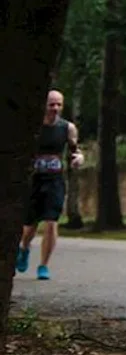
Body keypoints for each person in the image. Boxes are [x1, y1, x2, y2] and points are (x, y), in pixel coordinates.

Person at [16, 90, 82, 281]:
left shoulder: (67, 128)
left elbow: (74, 150)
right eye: (51, 104)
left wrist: (78, 158)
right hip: (33, 181)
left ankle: (43, 265)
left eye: (59, 105)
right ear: (43, 105)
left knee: (52, 222)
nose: (55, 108)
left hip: (54, 181)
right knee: (29, 227)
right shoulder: (32, 128)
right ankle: (24, 248)